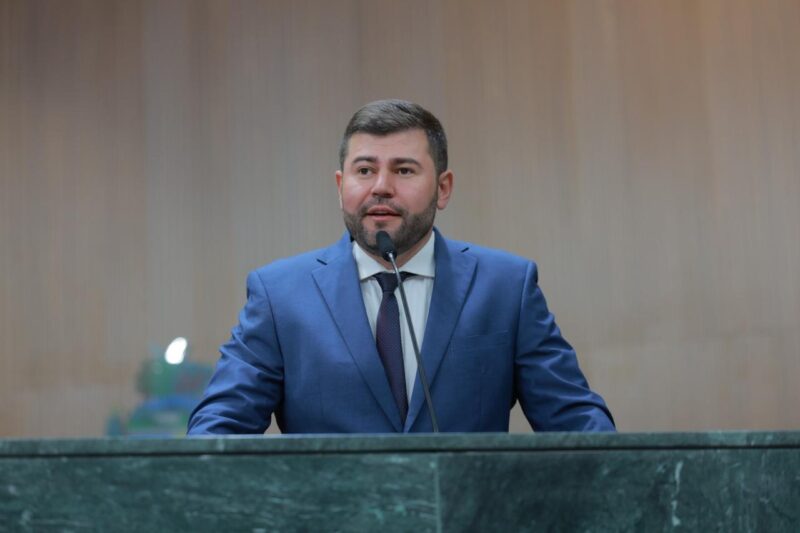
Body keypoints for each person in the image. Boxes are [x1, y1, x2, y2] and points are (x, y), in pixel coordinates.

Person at [188, 99, 614, 434]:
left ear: (442, 188)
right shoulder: (279, 296)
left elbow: (577, 423)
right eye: (365, 169)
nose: (381, 187)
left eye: (404, 170)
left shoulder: (506, 287)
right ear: (341, 187)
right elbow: (219, 428)